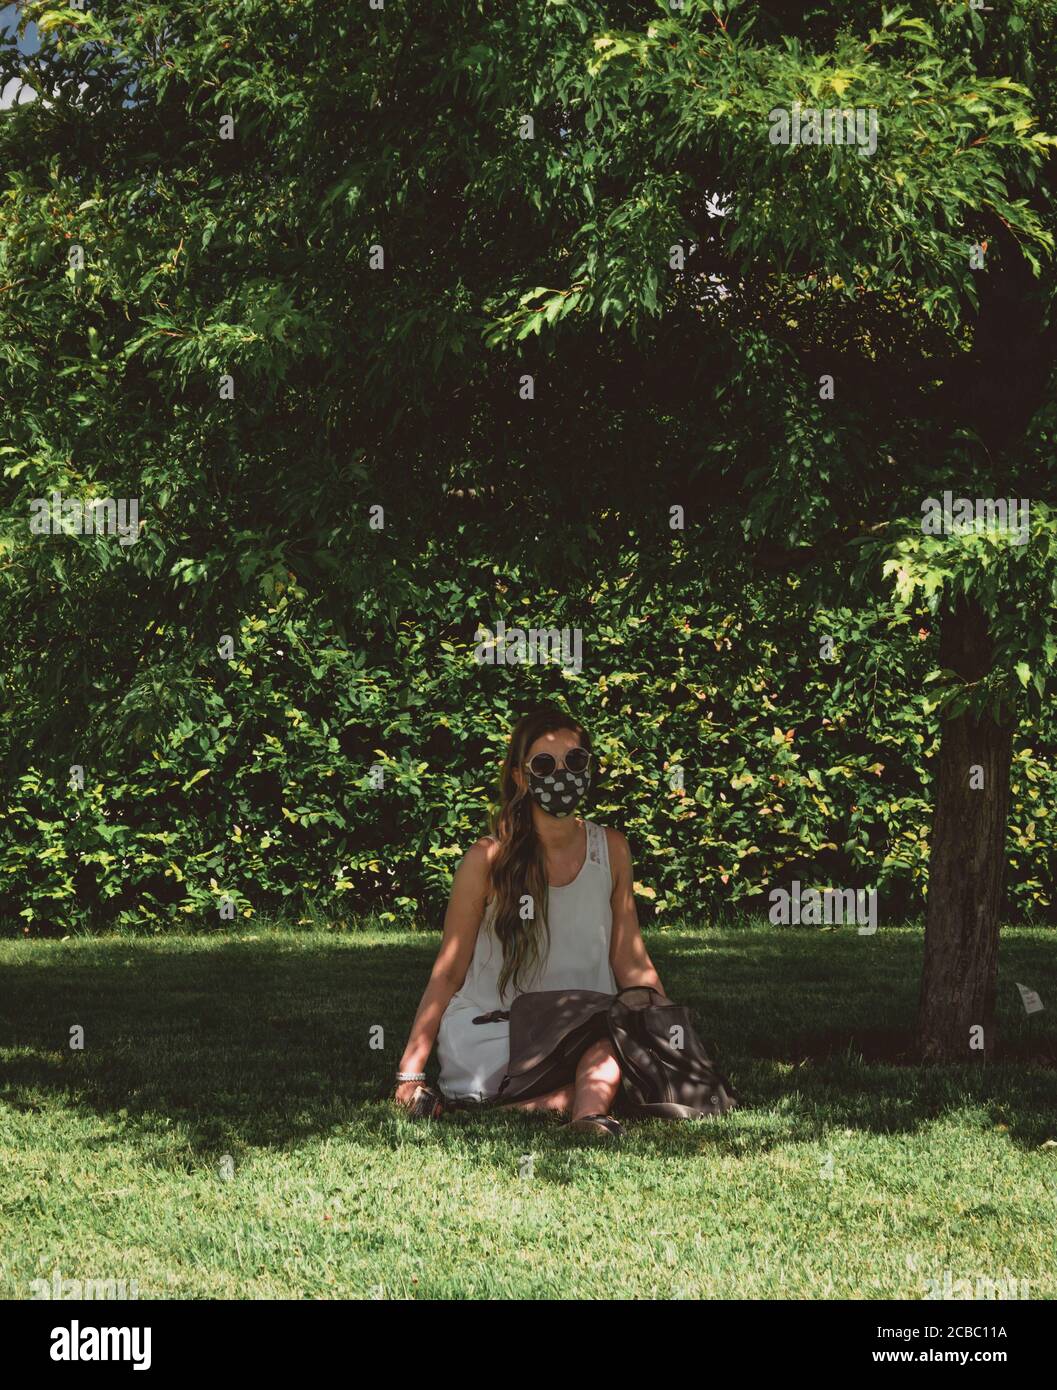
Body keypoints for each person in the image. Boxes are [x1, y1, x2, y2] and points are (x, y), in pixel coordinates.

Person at [394, 706, 665, 1140]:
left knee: (619, 1035)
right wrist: (410, 1075)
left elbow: (630, 958)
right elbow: (448, 972)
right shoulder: (486, 860)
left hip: (586, 1035)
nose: (562, 774)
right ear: (521, 777)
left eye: (575, 762)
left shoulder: (611, 849)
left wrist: (668, 1030)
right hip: (497, 1037)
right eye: (544, 765)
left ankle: (554, 1110)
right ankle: (587, 1112)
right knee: (613, 1051)